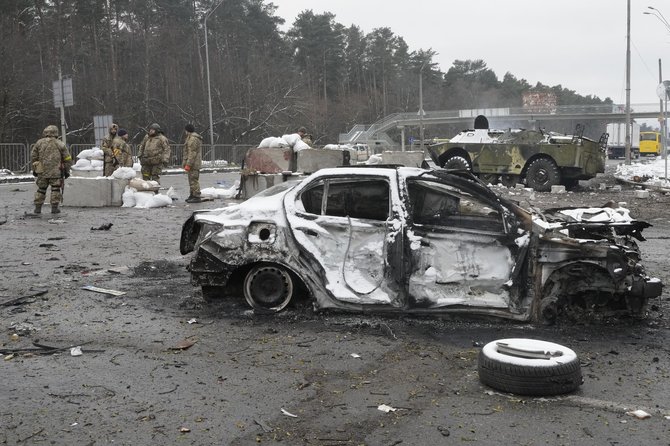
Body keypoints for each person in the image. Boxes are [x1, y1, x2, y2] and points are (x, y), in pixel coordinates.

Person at [30, 125, 72, 214]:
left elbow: (34, 157)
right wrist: (66, 170)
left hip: (42, 171)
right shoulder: (59, 143)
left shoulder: (39, 143)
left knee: (41, 189)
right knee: (55, 189)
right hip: (56, 172)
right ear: (56, 133)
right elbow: (67, 158)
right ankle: (54, 208)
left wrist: (35, 169)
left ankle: (38, 208)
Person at [182, 123, 203, 203]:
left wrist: (188, 164)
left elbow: (192, 153)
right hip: (193, 163)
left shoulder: (193, 139)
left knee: (194, 179)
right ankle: (192, 194)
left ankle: (196, 196)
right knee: (191, 179)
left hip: (194, 163)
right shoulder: (190, 138)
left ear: (187, 130)